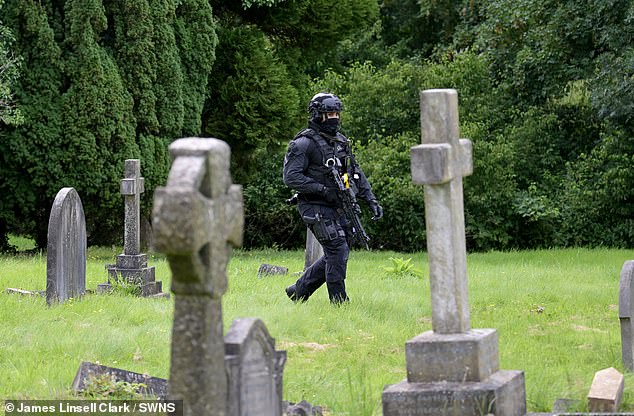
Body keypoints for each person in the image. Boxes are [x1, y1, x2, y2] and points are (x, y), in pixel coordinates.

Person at [282, 92, 383, 304]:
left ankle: (298, 291)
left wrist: (370, 199)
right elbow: (291, 177)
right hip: (314, 206)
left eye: (337, 113)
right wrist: (321, 189)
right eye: (329, 114)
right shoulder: (303, 143)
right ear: (318, 115)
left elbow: (356, 172)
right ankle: (339, 302)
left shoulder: (340, 142)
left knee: (336, 250)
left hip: (337, 205)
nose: (334, 118)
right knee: (337, 249)